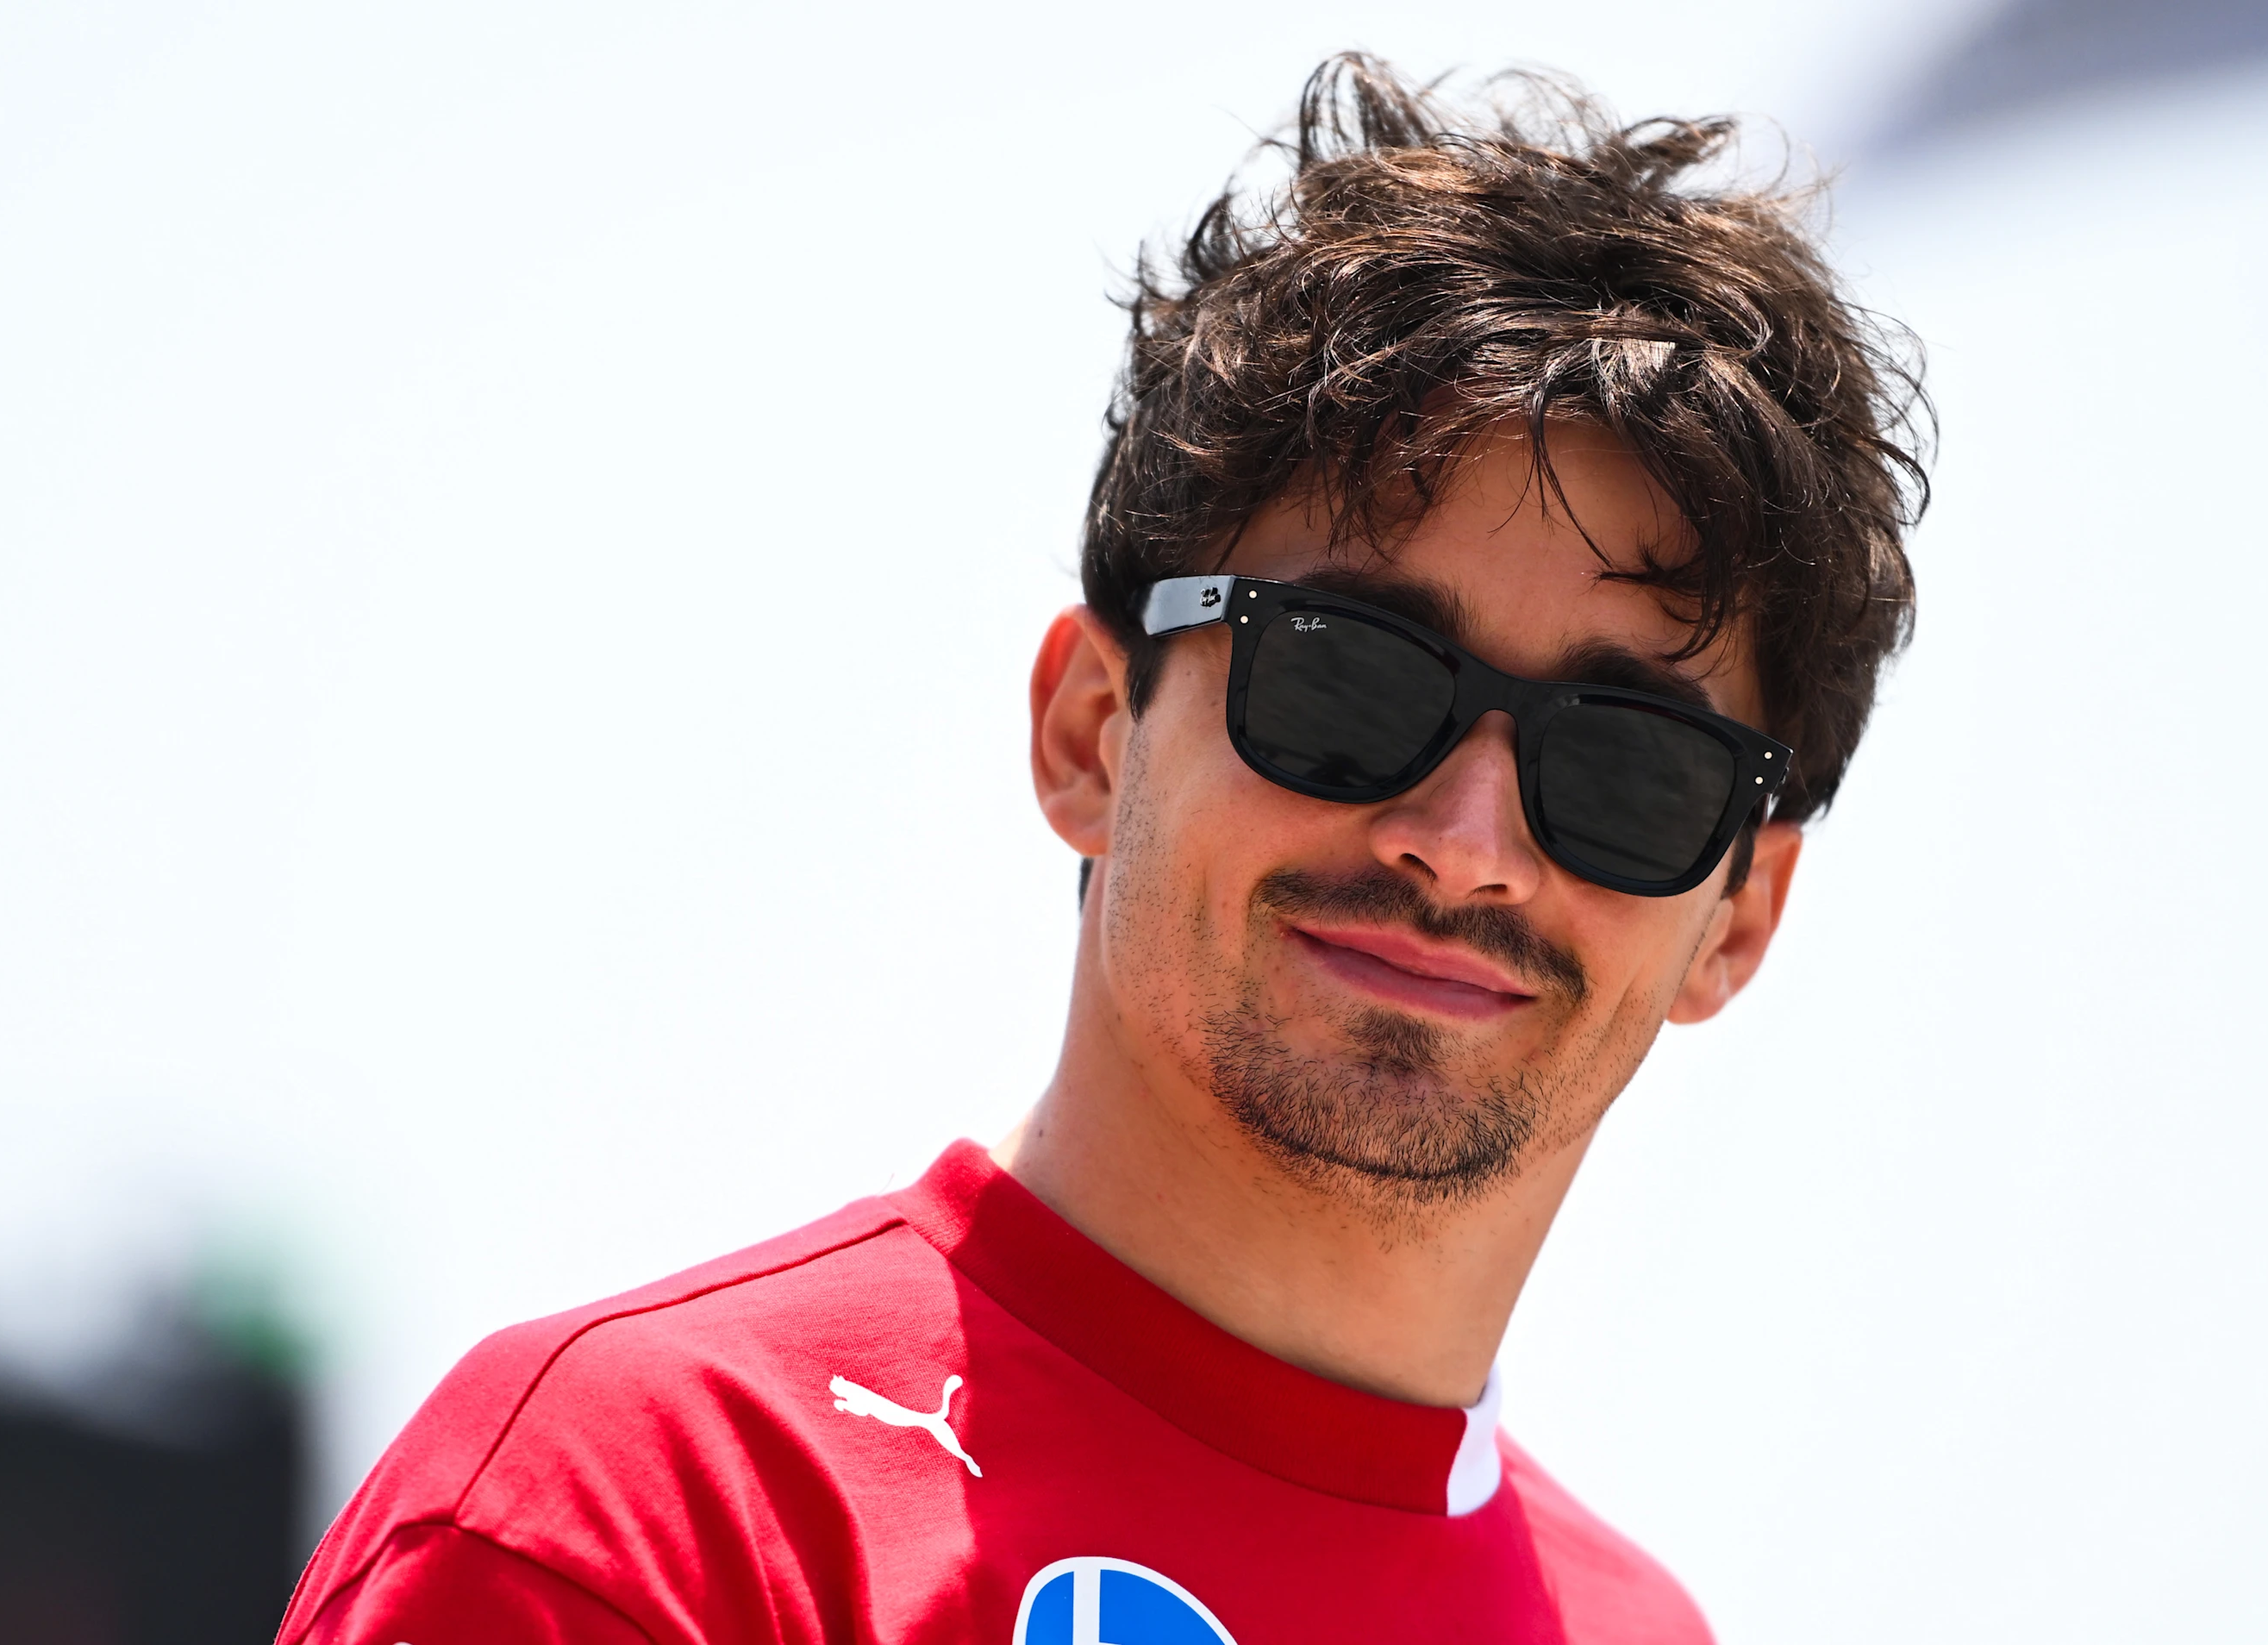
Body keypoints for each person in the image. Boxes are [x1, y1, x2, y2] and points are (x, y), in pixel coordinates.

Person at [277, 53, 1923, 1645]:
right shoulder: (639, 1512)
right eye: (1348, 678)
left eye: (1633, 770)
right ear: (1090, 731)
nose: (1464, 843)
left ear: (1738, 916)